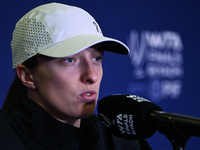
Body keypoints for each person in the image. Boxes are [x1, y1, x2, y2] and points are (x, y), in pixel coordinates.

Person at [0, 2, 152, 150]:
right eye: (69, 60)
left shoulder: (120, 141)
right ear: (27, 76)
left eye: (96, 58)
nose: (92, 76)